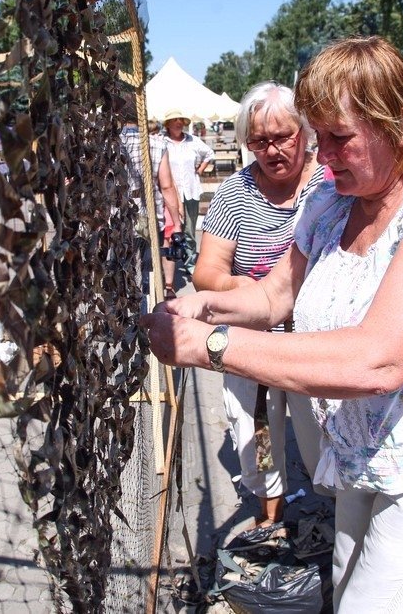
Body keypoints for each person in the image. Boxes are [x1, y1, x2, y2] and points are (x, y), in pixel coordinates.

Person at [142, 36, 403, 611]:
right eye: (318, 135)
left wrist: (208, 345)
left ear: (398, 122)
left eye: (339, 137)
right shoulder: (331, 202)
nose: (323, 154)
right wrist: (202, 306)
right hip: (359, 451)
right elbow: (274, 297)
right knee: (342, 580)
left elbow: (380, 359)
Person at [192, 81, 325, 527]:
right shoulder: (236, 192)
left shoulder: (329, 181)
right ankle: (271, 514)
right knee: (260, 427)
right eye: (258, 141)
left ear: (304, 132)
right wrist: (242, 286)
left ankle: (335, 505)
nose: (270, 150)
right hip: (254, 342)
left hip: (316, 342)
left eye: (282, 137)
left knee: (321, 432)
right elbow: (205, 270)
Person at [118, 94, 185, 299]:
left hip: (118, 215)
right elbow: (166, 186)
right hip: (149, 215)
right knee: (149, 266)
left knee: (121, 265)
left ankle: (125, 304)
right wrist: (176, 221)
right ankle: (146, 306)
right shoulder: (156, 144)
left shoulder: (112, 143)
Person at [161, 109, 214, 257]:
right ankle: (172, 259)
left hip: (190, 191)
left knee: (189, 230)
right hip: (170, 192)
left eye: (181, 121)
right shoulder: (162, 141)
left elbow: (209, 153)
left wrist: (200, 170)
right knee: (171, 228)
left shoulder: (192, 140)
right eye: (175, 120)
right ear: (168, 124)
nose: (178, 123)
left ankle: (190, 262)